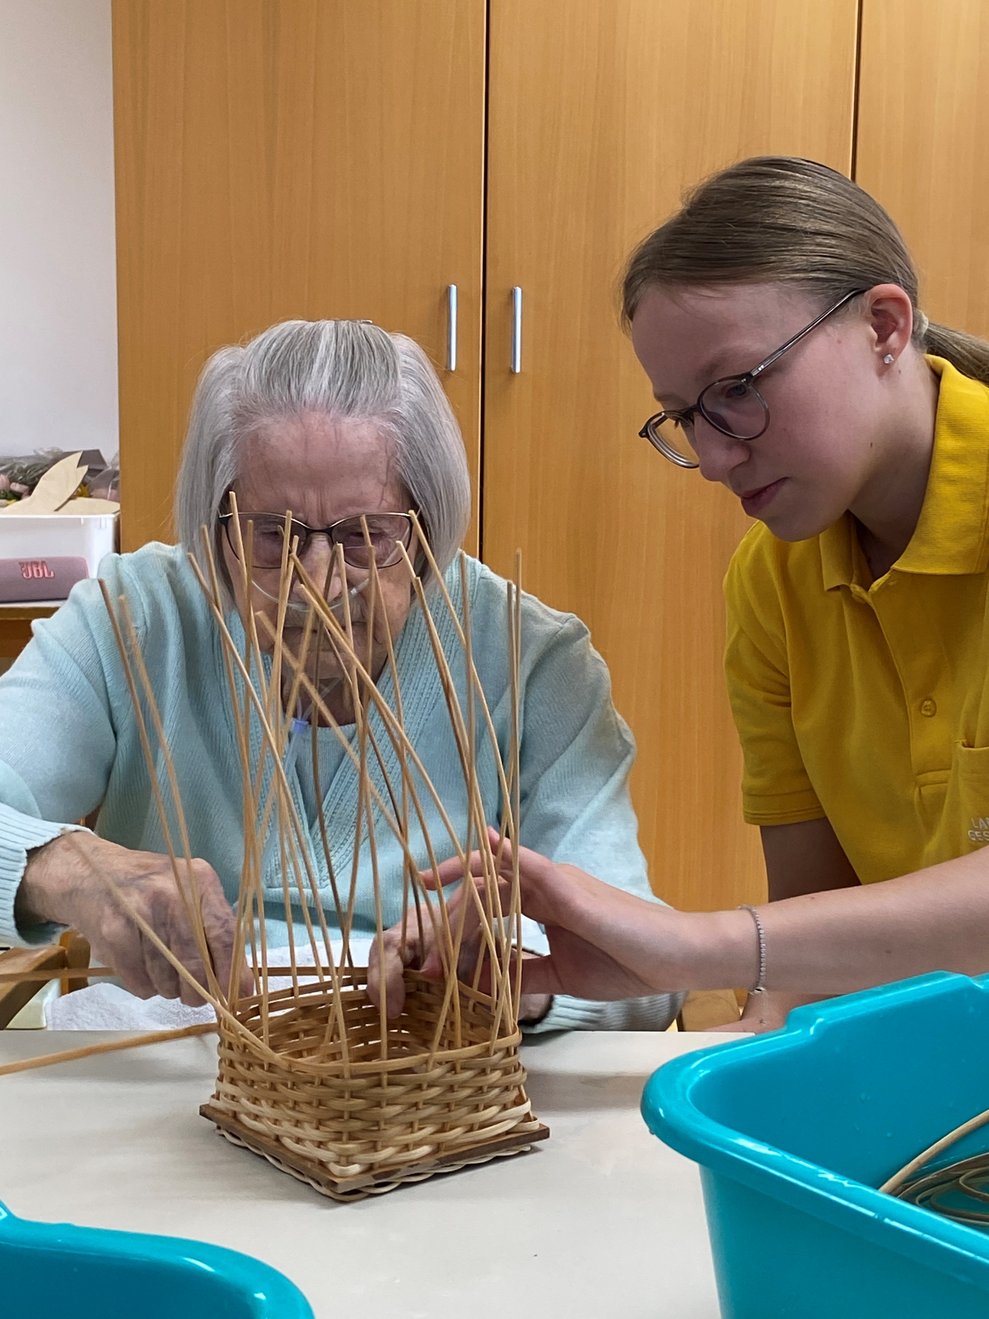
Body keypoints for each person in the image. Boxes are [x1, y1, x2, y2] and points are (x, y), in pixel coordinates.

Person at [373, 156, 989, 1030]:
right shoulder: (773, 579)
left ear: (882, 327)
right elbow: (806, 945)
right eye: (686, 415)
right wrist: (745, 1044)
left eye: (736, 389)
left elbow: (773, 943)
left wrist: (694, 944)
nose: (712, 457)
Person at [0, 318, 681, 1033]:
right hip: (171, 1067)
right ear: (214, 523)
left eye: (366, 536)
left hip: (429, 1070)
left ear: (428, 524)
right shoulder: (132, 619)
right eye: (272, 535)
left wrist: (519, 980)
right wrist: (67, 868)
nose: (318, 584)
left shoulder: (529, 659)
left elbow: (647, 974)